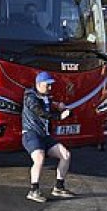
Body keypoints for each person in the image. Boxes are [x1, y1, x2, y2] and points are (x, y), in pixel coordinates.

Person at [21, 71, 76, 203]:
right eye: (47, 85)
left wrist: (63, 109)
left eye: (51, 85)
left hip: (45, 135)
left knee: (65, 155)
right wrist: (59, 116)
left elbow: (50, 110)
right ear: (39, 84)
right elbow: (40, 112)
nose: (50, 88)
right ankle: (33, 190)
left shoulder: (47, 97)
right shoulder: (30, 97)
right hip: (31, 134)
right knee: (39, 158)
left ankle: (59, 186)